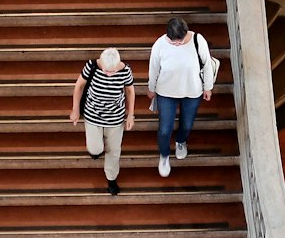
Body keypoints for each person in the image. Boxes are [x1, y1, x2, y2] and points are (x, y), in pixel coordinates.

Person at [147, 16, 217, 179]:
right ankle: (164, 155)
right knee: (164, 129)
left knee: (186, 124)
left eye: (180, 40)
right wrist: (151, 87)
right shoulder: (159, 44)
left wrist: (208, 87)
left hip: (192, 91)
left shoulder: (198, 40)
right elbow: (154, 67)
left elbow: (206, 64)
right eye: (174, 42)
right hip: (166, 91)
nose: (177, 44)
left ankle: (180, 141)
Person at [69, 46, 136, 195]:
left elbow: (130, 91)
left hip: (115, 118)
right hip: (93, 115)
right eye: (106, 71)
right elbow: (79, 86)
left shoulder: (125, 71)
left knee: (114, 151)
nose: (109, 75)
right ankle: (96, 151)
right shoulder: (92, 66)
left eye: (112, 72)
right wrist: (75, 109)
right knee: (95, 149)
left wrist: (130, 114)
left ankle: (111, 178)